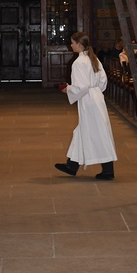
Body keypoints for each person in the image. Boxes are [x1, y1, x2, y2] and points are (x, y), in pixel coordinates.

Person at [54, 31, 117, 180]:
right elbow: (103, 80)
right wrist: (96, 91)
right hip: (96, 97)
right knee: (83, 131)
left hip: (88, 100)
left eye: (72, 43)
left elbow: (81, 86)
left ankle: (108, 170)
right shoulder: (93, 58)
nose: (71, 45)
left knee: (98, 133)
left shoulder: (79, 62)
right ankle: (72, 165)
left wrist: (68, 89)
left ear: (79, 45)